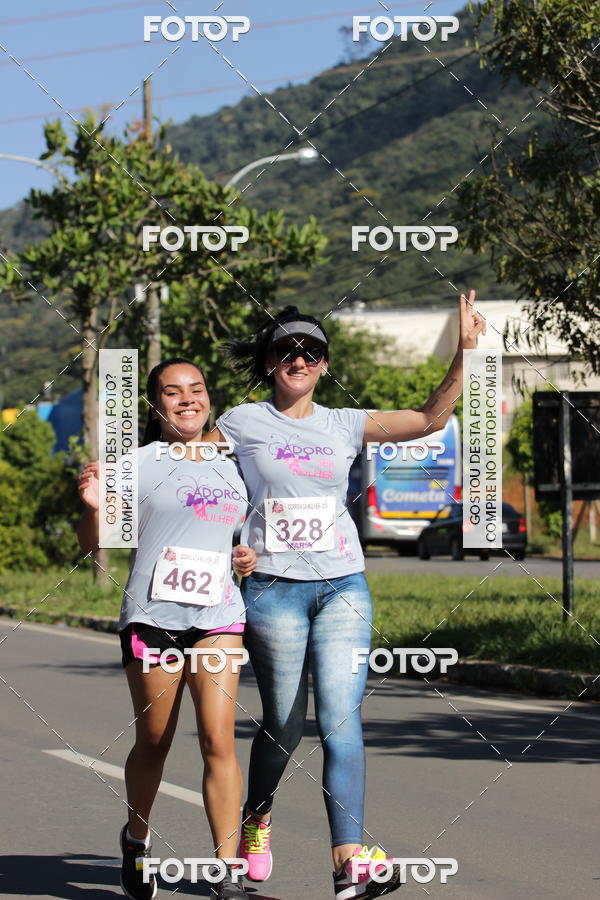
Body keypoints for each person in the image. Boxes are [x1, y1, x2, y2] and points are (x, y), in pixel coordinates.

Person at [207, 294, 485, 899]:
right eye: (287, 350)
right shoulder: (239, 422)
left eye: (311, 351)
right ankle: (257, 816)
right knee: (284, 725)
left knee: (340, 720)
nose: (299, 358)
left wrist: (465, 354)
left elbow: (431, 418)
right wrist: (225, 544)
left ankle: (348, 866)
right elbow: (193, 480)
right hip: (273, 590)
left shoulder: (345, 423)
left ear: (325, 364)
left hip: (342, 586)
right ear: (270, 360)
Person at [77, 358, 256, 900]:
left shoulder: (235, 462)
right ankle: (136, 837)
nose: (187, 400)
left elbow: (241, 536)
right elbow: (93, 543)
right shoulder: (137, 464)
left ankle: (228, 871)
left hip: (219, 617)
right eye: (173, 393)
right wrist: (91, 508)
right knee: (154, 742)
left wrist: (246, 555)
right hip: (154, 619)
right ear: (155, 405)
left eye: (196, 390)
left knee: (218, 739)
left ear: (208, 398)